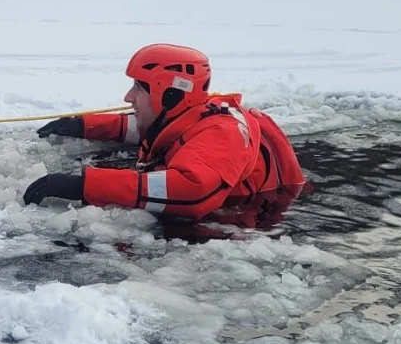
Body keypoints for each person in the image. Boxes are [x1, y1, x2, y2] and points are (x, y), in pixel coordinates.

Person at [22, 44, 307, 228]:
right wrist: (84, 125)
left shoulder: (222, 133)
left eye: (139, 88)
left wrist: (85, 185)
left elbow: (192, 190)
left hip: (255, 222)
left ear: (170, 95)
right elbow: (148, 130)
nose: (128, 97)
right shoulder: (190, 114)